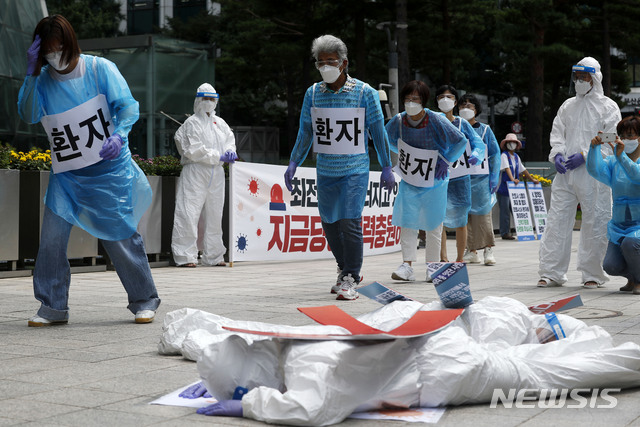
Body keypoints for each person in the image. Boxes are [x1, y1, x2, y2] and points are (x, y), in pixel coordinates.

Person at [17, 15, 161, 326]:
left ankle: (143, 299)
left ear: (71, 45)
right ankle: (52, 307)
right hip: (67, 175)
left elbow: (128, 106)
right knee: (52, 240)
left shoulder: (99, 69)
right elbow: (28, 114)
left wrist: (119, 134)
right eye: (49, 52)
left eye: (60, 49)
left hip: (108, 170)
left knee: (120, 237)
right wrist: (30, 74)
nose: (56, 57)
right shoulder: (42, 82)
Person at [283, 34, 395, 300]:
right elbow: (305, 131)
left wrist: (387, 166)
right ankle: (344, 268)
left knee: (350, 221)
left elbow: (378, 132)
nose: (325, 67)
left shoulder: (364, 92)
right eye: (320, 63)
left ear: (344, 63)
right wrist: (294, 161)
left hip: (355, 168)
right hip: (326, 170)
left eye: (330, 61)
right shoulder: (313, 93)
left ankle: (351, 276)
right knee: (330, 224)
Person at [537, 57, 621, 289]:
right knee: (556, 221)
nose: (581, 81)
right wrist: (559, 154)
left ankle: (592, 273)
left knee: (595, 221)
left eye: (585, 77)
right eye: (578, 77)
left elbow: (612, 138)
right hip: (566, 174)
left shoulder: (608, 107)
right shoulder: (567, 105)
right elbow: (557, 133)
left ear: (595, 78)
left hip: (594, 172)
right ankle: (551, 272)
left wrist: (585, 155)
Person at [386, 81, 467, 282]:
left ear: (423, 101)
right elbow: (384, 138)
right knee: (408, 221)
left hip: (435, 179)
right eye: (407, 99)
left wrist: (446, 160)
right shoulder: (398, 121)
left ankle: (433, 266)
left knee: (433, 223)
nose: (411, 103)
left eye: (416, 99)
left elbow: (461, 141)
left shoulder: (436, 119)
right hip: (411, 177)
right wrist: (405, 154)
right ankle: (407, 265)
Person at [171, 83, 237, 268]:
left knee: (215, 214)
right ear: (198, 100)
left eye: (211, 99)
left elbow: (230, 140)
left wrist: (230, 151)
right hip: (196, 171)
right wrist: (218, 156)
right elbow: (194, 150)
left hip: (216, 173)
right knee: (188, 212)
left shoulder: (220, 123)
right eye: (205, 99)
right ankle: (185, 256)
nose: (208, 103)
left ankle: (214, 256)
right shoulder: (192, 122)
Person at [587, 116, 640, 295]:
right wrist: (593, 148)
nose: (626, 139)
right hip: (619, 225)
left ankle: (639, 280)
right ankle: (634, 277)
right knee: (610, 266)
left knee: (631, 243)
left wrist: (622, 157)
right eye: (623, 135)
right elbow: (595, 170)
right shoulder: (613, 161)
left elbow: (636, 176)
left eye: (631, 135)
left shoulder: (622, 159)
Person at [435, 85, 485, 263]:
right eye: (441, 96)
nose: (445, 100)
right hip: (438, 175)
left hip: (460, 175)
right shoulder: (433, 120)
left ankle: (459, 259)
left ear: (455, 101)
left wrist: (477, 156)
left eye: (449, 97)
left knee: (461, 217)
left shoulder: (462, 123)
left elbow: (478, 143)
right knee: (437, 217)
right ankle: (442, 257)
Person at [457, 93, 501, 265]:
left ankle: (488, 249)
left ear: (477, 110)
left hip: (481, 179)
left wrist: (494, 176)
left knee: (483, 214)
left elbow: (495, 152)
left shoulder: (485, 129)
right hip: (461, 178)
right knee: (465, 216)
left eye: (470, 106)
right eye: (462, 106)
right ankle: (471, 250)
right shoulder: (455, 128)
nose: (465, 109)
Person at [497, 133, 539, 240]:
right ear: (506, 144)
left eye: (514, 142)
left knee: (518, 210)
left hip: (514, 189)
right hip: (504, 189)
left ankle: (522, 231)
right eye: (510, 142)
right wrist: (512, 179)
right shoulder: (504, 155)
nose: (512, 144)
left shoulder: (516, 157)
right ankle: (505, 233)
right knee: (505, 211)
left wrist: (532, 179)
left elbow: (523, 169)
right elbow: (506, 168)